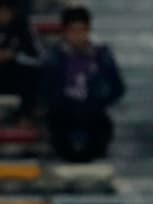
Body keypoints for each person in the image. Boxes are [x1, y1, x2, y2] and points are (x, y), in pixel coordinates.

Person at [41, 5, 125, 163]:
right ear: (65, 32)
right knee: (57, 123)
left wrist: (100, 100)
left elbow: (117, 87)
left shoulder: (102, 55)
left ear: (88, 31)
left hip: (92, 109)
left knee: (101, 126)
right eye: (73, 31)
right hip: (63, 110)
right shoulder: (53, 57)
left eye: (82, 30)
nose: (78, 36)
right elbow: (45, 88)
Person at [0, 0, 42, 122]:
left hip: (14, 75)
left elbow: (38, 59)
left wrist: (13, 55)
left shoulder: (23, 26)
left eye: (4, 11)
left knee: (29, 74)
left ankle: (25, 117)